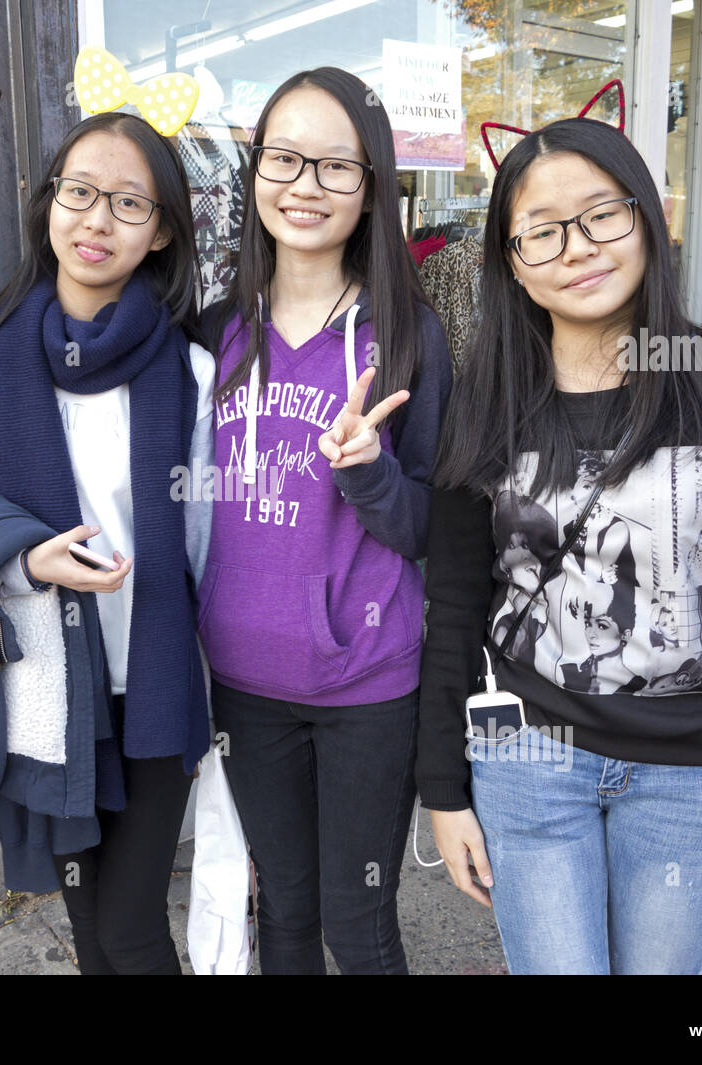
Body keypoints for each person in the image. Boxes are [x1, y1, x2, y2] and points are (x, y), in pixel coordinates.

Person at [418, 114, 702, 974]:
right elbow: (453, 602)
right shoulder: (487, 400)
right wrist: (441, 792)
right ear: (513, 263)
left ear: (646, 220)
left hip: (695, 774)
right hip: (527, 761)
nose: (578, 247)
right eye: (543, 230)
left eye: (603, 213)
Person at [0, 111, 213, 974]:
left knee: (131, 925)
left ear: (160, 232)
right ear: (48, 205)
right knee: (87, 927)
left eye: (128, 203)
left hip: (152, 688)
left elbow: (205, 542)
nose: (97, 220)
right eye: (79, 193)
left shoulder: (188, 372)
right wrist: (20, 560)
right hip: (43, 689)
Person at [199, 67, 452, 974]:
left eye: (335, 166)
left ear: (373, 184)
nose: (305, 185)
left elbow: (440, 529)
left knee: (360, 921)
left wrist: (372, 477)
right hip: (241, 681)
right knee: (287, 914)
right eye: (285, 158)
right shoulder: (211, 333)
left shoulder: (412, 339)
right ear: (255, 170)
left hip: (367, 684)